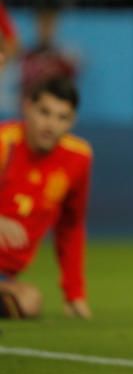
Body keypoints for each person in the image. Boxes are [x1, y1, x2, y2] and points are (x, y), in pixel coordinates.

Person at [0, 77, 93, 320]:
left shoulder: (78, 158)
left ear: (72, 121)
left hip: (5, 276)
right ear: (27, 107)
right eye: (44, 112)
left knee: (29, 301)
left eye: (62, 117)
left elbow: (71, 227)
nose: (50, 125)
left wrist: (75, 294)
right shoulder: (4, 142)